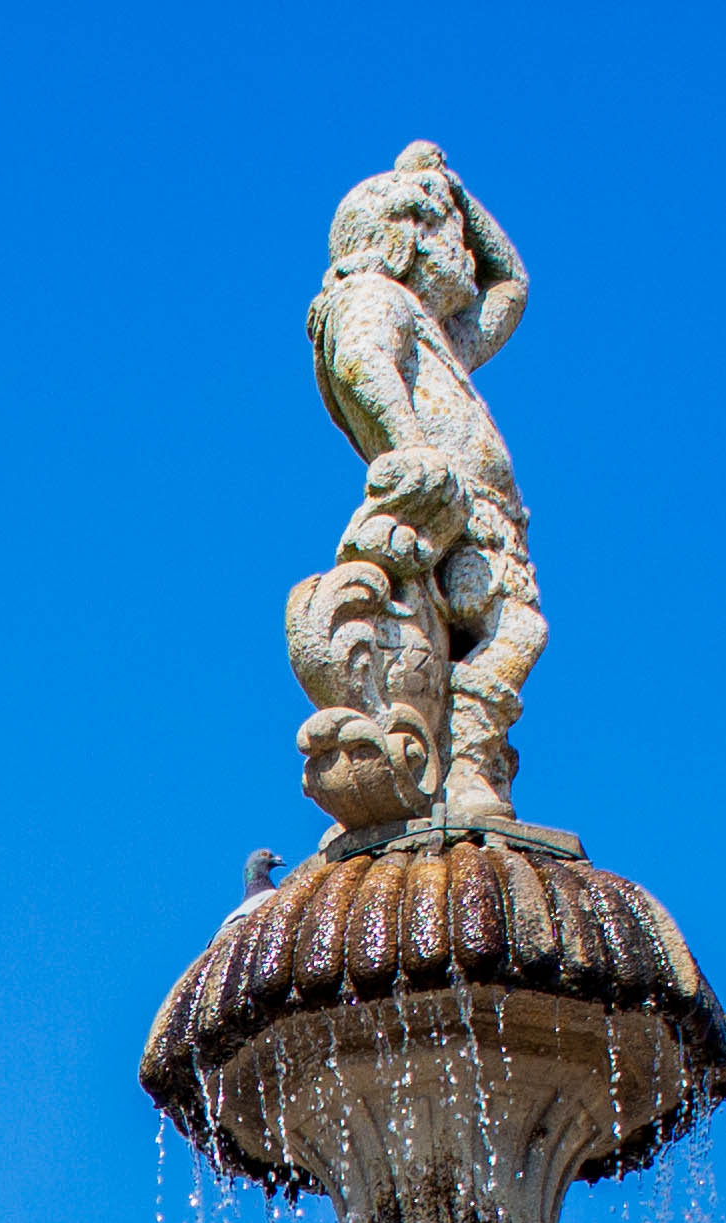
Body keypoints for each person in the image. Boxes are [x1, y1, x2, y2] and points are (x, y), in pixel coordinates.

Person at [306, 144, 543, 825]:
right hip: (449, 507)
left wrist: (455, 196)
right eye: (448, 234)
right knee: (515, 630)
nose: (467, 254)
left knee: (491, 636)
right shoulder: (375, 298)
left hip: (485, 515)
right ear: (405, 237)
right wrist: (412, 446)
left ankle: (466, 765)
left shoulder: (443, 337)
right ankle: (471, 765)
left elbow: (512, 288)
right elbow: (362, 360)